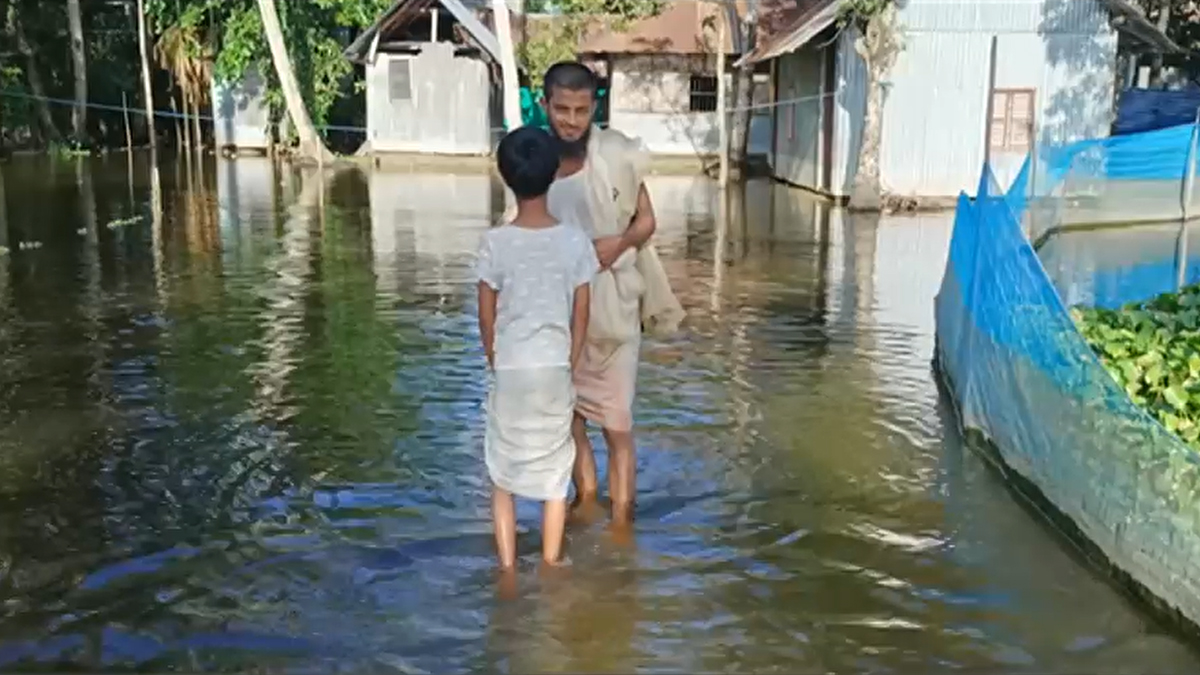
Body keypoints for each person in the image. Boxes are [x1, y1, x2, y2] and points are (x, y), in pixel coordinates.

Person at [538, 61, 686, 530]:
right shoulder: (533, 159)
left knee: (617, 424)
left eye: (581, 110)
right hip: (559, 312)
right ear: (546, 105)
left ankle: (622, 522)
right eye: (562, 109)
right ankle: (587, 499)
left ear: (593, 108)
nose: (571, 120)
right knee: (572, 421)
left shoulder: (616, 153)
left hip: (615, 308)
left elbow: (647, 222)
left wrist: (616, 244)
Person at [475, 125, 600, 570]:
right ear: (554, 175)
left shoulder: (495, 243)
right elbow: (581, 312)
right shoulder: (574, 243)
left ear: (505, 176)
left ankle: (507, 570)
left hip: (511, 368)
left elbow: (486, 313)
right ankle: (551, 562)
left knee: (502, 473)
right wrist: (570, 359)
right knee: (553, 473)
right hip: (553, 367)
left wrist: (495, 357)